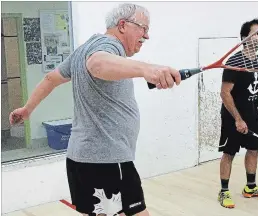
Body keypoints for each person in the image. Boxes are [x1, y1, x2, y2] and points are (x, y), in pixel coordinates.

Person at [9, 3, 181, 216]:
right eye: (143, 28)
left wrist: (27, 109)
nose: (146, 36)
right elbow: (98, 64)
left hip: (80, 158)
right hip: (107, 161)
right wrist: (148, 69)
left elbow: (50, 78)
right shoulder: (108, 46)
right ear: (122, 25)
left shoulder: (83, 49)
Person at [217, 18, 258, 209]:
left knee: (253, 150)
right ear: (245, 38)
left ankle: (250, 187)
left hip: (252, 115)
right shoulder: (234, 61)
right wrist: (238, 119)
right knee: (229, 153)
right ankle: (224, 192)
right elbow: (224, 93)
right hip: (233, 117)